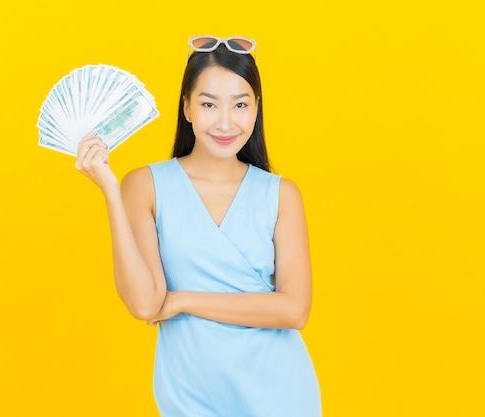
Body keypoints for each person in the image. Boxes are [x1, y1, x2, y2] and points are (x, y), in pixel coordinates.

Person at [74, 36, 321, 417]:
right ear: (187, 107)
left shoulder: (281, 194)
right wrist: (109, 190)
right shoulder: (144, 185)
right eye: (208, 104)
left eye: (241, 104)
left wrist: (185, 300)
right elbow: (144, 303)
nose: (225, 122)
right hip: (191, 394)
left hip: (279, 393)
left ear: (256, 108)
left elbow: (294, 310)